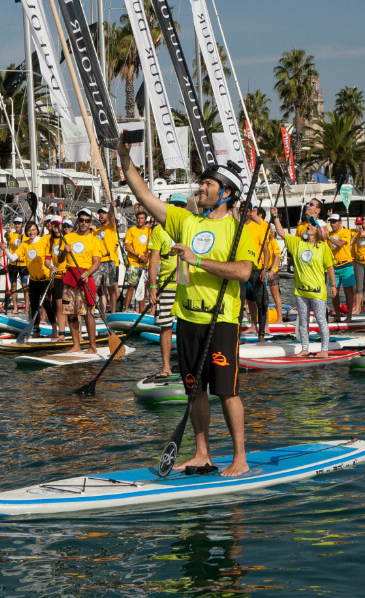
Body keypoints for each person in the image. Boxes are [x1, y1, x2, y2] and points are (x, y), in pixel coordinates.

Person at [119, 136, 256, 478]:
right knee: (194, 389)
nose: (201, 188)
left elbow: (242, 271)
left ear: (226, 193)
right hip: (188, 319)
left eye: (208, 184)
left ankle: (240, 457)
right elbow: (144, 195)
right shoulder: (185, 220)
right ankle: (202, 454)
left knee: (227, 391)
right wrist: (123, 157)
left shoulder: (239, 230)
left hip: (221, 320)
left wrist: (198, 260)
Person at [272, 209, 336, 357]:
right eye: (309, 224)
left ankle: (324, 350)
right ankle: (304, 349)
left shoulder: (323, 247)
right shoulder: (298, 243)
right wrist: (275, 216)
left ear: (318, 230)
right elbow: (281, 233)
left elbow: (330, 267)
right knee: (303, 322)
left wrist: (333, 285)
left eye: (312, 225)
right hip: (300, 291)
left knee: (321, 320)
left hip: (317, 292)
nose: (309, 226)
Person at [148, 194, 188, 377]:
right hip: (166, 284)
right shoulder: (158, 230)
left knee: (187, 327)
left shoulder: (190, 227)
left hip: (186, 283)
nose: (178, 208)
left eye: (181, 205)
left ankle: (187, 365)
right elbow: (153, 260)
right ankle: (166, 367)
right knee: (166, 326)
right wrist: (152, 287)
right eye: (175, 205)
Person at [58, 208, 106, 354]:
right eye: (81, 220)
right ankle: (76, 345)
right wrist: (64, 251)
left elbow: (96, 263)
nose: (84, 223)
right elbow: (59, 259)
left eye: (86, 221)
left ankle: (92, 346)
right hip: (70, 278)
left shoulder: (94, 240)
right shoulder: (69, 237)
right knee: (71, 314)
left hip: (84, 279)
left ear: (90, 222)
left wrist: (88, 273)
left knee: (87, 314)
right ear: (77, 221)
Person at [242, 206, 272, 340]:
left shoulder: (258, 228)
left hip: (257, 270)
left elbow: (267, 251)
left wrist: (265, 269)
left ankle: (262, 334)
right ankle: (253, 325)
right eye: (241, 209)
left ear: (250, 212)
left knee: (261, 303)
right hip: (242, 269)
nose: (243, 212)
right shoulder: (237, 228)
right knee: (248, 301)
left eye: (245, 210)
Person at [16, 222, 50, 336]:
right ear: (26, 231)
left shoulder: (44, 240)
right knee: (34, 304)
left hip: (45, 278)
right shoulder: (24, 244)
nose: (32, 232)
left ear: (37, 230)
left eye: (34, 230)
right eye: (29, 230)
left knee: (46, 304)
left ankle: (56, 329)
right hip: (33, 279)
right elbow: (13, 256)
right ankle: (36, 330)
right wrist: (4, 249)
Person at [326, 213, 355, 323]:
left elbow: (340, 244)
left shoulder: (345, 232)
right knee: (334, 292)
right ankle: (337, 315)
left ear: (340, 222)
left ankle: (349, 316)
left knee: (348, 291)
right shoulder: (329, 234)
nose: (332, 224)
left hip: (346, 264)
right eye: (331, 222)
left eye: (334, 222)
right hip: (334, 266)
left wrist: (328, 238)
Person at [122, 209, 151, 312]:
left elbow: (153, 246)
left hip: (145, 265)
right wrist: (139, 255)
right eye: (138, 218)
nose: (140, 220)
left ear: (145, 219)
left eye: (142, 218)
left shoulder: (149, 231)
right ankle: (125, 309)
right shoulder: (131, 230)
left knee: (142, 288)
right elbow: (127, 247)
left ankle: (142, 311)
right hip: (133, 263)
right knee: (131, 287)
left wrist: (149, 253)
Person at [95, 206, 121, 314]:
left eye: (104, 213)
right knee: (96, 287)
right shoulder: (96, 231)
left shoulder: (111, 227)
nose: (101, 215)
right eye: (100, 213)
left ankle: (113, 313)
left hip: (110, 261)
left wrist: (111, 206)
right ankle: (99, 311)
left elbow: (111, 217)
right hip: (98, 262)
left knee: (111, 288)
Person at [5, 216, 27, 311]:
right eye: (16, 223)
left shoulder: (25, 236)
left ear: (22, 225)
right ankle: (15, 307)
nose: (17, 225)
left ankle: (26, 307)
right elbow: (7, 237)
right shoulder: (12, 235)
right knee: (13, 286)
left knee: (24, 285)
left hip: (23, 264)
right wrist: (7, 233)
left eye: (19, 223)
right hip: (13, 264)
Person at [266, 226, 283, 324]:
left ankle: (279, 318)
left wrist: (272, 270)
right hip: (263, 271)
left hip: (272, 272)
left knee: (276, 296)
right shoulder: (263, 243)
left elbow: (277, 256)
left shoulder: (273, 241)